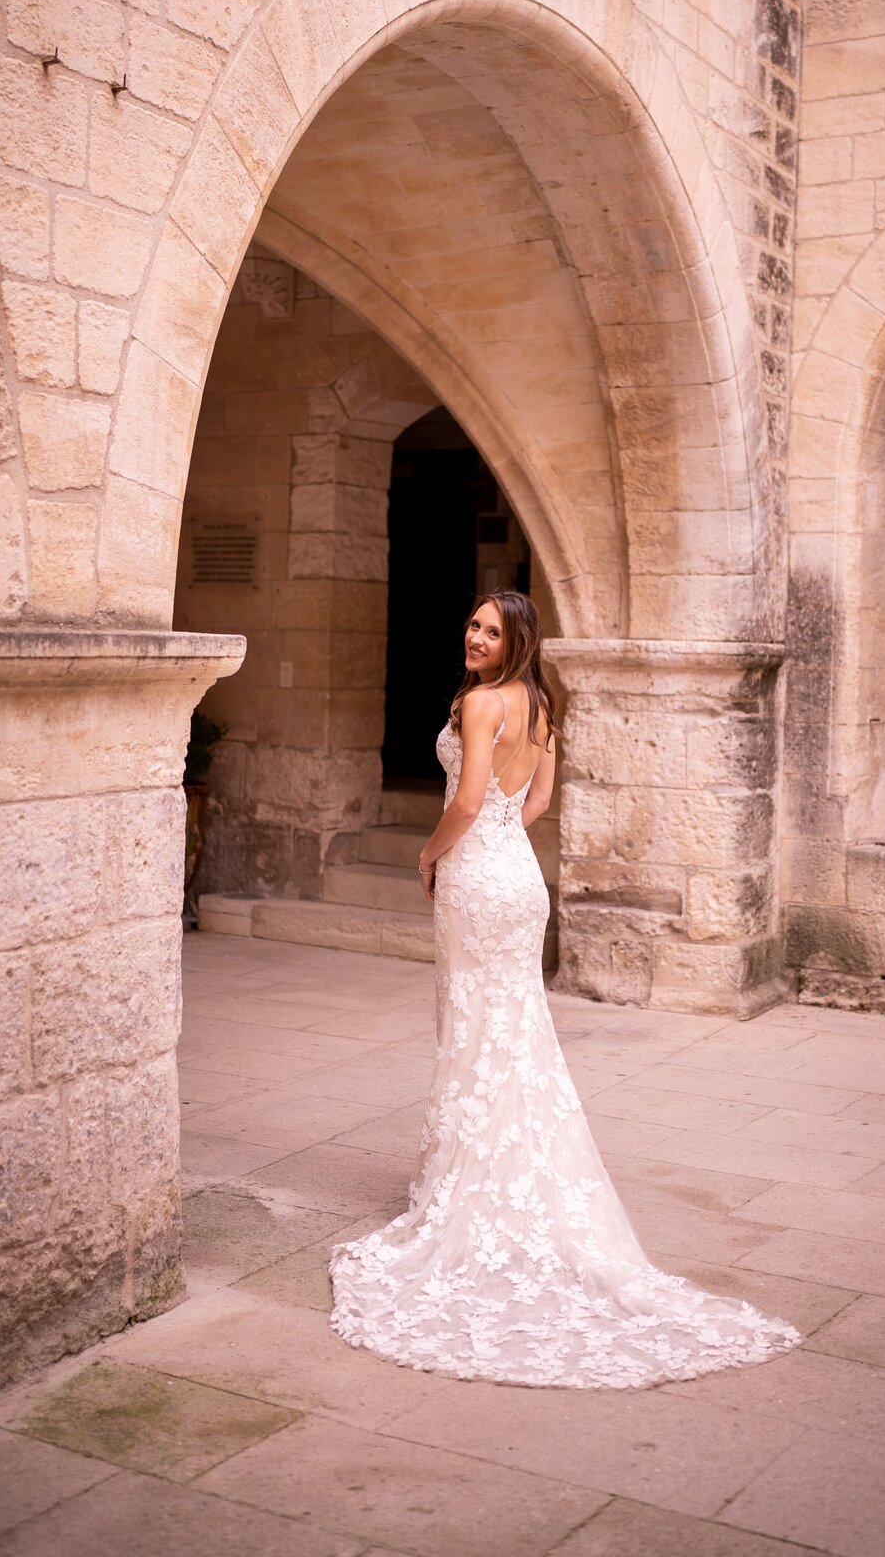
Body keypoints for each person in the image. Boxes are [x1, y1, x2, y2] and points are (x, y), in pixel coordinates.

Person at [330, 590, 799, 1387]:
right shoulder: (541, 704)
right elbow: (536, 800)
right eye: (472, 623)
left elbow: (471, 799)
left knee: (477, 1028)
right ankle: (500, 1177)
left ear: (515, 641)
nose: (474, 636)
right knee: (512, 1030)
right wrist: (496, 836)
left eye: (490, 630)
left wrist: (429, 853)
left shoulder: (481, 705)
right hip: (519, 877)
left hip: (478, 878)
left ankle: (469, 1189)